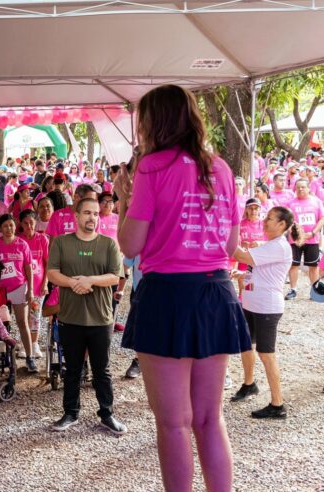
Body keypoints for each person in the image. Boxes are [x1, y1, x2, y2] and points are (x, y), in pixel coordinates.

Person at [116, 85, 249, 491]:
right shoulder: (221, 169)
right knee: (210, 418)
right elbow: (230, 246)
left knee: (174, 422)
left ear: (155, 121)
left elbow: (130, 246)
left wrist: (124, 200)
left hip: (168, 295)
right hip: (216, 292)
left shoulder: (152, 167)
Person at [47, 198, 126, 434]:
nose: (92, 218)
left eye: (95, 214)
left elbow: (115, 276)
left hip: (101, 318)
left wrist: (90, 281)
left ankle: (107, 414)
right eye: (87, 213)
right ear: (77, 216)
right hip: (70, 317)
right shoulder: (62, 243)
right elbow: (52, 273)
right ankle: (70, 413)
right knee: (72, 369)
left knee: (102, 370)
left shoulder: (109, 244)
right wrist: (73, 283)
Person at [231, 207, 295, 419]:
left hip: (267, 307)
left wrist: (222, 232)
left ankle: (278, 405)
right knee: (246, 346)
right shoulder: (270, 244)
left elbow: (240, 255)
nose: (264, 221)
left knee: (267, 355)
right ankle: (249, 384)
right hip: (252, 303)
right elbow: (257, 269)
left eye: (269, 219)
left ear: (282, 225)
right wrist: (243, 274)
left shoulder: (279, 246)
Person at [0, 215, 36, 372]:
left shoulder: (22, 244)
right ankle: (4, 355)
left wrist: (31, 290)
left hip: (19, 287)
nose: (9, 229)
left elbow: (28, 268)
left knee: (22, 322)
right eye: (6, 226)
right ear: (0, 228)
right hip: (0, 291)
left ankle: (30, 357)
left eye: (11, 225)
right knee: (2, 324)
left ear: (16, 227)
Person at [284, 179, 324, 300]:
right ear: (295, 189)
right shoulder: (290, 203)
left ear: (308, 188)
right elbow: (288, 221)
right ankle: (293, 289)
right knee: (294, 265)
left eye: (303, 187)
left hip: (312, 239)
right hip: (295, 240)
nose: (300, 189)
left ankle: (315, 290)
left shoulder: (316, 202)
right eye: (298, 187)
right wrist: (296, 235)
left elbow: (321, 219)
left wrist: (312, 233)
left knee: (313, 266)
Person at [19, 210, 49, 358]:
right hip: (20, 286)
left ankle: (34, 344)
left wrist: (45, 283)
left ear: (36, 223)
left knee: (35, 315)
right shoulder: (18, 240)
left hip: (38, 285)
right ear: (21, 224)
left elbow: (48, 264)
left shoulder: (42, 239)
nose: (29, 225)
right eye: (25, 223)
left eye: (31, 222)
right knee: (23, 316)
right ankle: (24, 344)